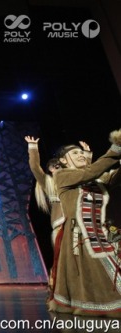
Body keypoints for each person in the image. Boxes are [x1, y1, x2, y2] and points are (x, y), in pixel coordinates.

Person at [48, 128, 121, 318]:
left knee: (109, 274)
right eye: (74, 153)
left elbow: (110, 175)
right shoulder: (63, 176)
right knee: (95, 278)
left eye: (81, 152)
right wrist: (115, 148)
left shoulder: (95, 180)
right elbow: (92, 171)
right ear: (63, 161)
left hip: (101, 235)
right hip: (79, 238)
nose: (80, 155)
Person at [25, 136, 92, 299]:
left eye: (57, 166)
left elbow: (87, 174)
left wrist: (87, 156)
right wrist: (33, 148)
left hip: (81, 223)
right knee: (62, 260)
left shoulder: (73, 180)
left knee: (86, 259)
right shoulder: (49, 183)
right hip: (62, 225)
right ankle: (57, 289)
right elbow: (35, 168)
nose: (55, 169)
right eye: (52, 167)